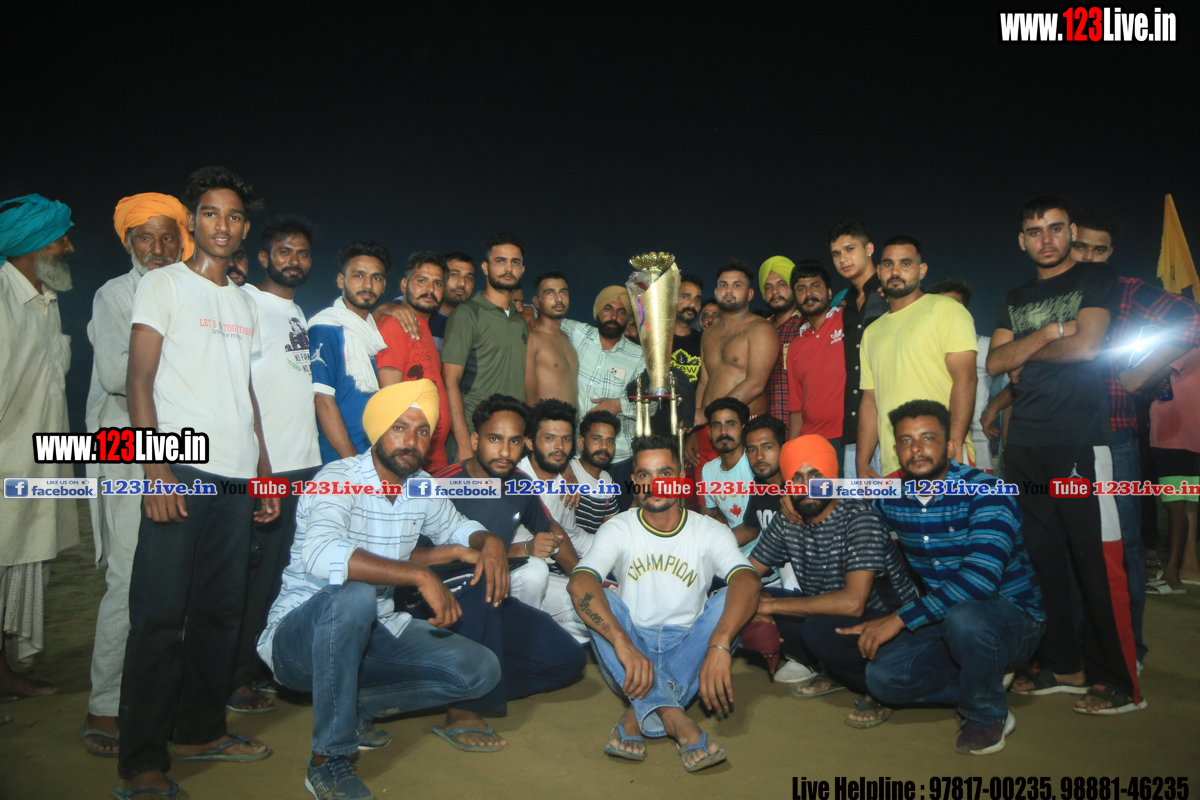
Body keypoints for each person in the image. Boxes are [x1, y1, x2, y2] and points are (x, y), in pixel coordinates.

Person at [258, 381, 506, 800]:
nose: (411, 441)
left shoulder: (419, 485)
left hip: (376, 626)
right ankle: (327, 760)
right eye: (399, 427)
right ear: (377, 430)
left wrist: (490, 541)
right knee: (353, 595)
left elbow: (458, 527)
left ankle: (353, 708)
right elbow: (320, 553)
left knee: (480, 670)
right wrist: (420, 576)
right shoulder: (338, 478)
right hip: (298, 643)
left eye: (422, 431)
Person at [117, 167, 280, 799]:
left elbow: (246, 392)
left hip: (236, 477)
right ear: (193, 222)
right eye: (211, 213)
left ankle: (199, 731)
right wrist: (154, 468)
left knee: (219, 612)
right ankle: (141, 761)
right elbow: (139, 380)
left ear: (244, 227)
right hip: (181, 468)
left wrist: (263, 473)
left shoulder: (243, 302)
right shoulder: (162, 285)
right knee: (159, 616)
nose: (222, 225)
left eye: (234, 216)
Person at [985, 209, 1200, 662]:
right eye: (1080, 246)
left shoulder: (1121, 289)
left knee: (1119, 549)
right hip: (1052, 435)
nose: (1086, 257)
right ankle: (1074, 651)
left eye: (1098, 251)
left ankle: (1125, 652)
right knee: (1059, 548)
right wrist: (1000, 401)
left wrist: (1140, 373)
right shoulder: (1045, 294)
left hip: (1111, 432)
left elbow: (1190, 319)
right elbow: (1027, 366)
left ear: (1110, 254)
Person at [987, 195, 1141, 714]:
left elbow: (1088, 347)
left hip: (1078, 440)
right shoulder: (1015, 296)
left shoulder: (1096, 279)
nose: (1046, 239)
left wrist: (1027, 352)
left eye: (1055, 229)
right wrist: (1053, 331)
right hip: (1024, 445)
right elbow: (996, 362)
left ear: (1071, 232)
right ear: (1022, 240)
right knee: (1042, 561)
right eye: (1035, 231)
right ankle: (1063, 664)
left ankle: (1119, 680)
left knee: (1099, 563)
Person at [845, 400, 1044, 754]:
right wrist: (793, 504)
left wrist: (899, 618)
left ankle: (986, 714)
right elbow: (843, 511)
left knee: (967, 617)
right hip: (944, 616)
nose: (916, 449)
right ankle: (985, 678)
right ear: (896, 451)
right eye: (906, 441)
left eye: (928, 438)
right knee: (883, 678)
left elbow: (979, 582)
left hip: (1011, 618)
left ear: (950, 447)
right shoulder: (893, 497)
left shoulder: (987, 492)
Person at [568, 435, 761, 772]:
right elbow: (579, 582)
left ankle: (639, 712)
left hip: (690, 647)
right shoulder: (619, 527)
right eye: (644, 475)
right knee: (600, 599)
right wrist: (622, 642)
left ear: (682, 476)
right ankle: (674, 719)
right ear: (634, 480)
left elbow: (748, 580)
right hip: (630, 652)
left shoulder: (708, 530)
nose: (654, 484)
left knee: (728, 599)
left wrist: (719, 644)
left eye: (665, 473)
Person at [81, 193, 191, 755]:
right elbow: (116, 373)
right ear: (129, 242)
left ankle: (159, 699)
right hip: (125, 444)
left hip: (184, 446)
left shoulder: (189, 291)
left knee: (174, 579)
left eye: (167, 236)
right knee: (127, 576)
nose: (157, 247)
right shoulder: (115, 295)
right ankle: (104, 706)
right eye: (144, 237)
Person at [422, 394, 587, 750]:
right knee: (491, 575)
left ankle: (456, 688)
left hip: (493, 595)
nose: (504, 451)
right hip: (439, 598)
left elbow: (552, 530)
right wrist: (472, 554)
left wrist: (584, 578)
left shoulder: (520, 484)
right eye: (495, 439)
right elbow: (408, 556)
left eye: (514, 442)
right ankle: (462, 710)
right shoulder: (441, 483)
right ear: (475, 439)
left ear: (524, 444)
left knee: (568, 660)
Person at [747, 434, 917, 719]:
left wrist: (769, 606)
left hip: (890, 622)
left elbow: (853, 603)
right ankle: (835, 670)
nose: (807, 486)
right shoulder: (788, 519)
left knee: (810, 626)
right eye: (797, 478)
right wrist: (749, 603)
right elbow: (747, 574)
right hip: (831, 615)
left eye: (816, 475)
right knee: (744, 597)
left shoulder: (858, 517)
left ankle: (878, 687)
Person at [230, 216, 324, 714]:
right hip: (271, 468)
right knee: (253, 579)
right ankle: (234, 679)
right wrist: (262, 471)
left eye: (303, 253)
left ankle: (265, 667)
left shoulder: (297, 312)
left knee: (287, 577)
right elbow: (241, 391)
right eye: (284, 251)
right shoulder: (245, 303)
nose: (294, 260)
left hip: (304, 465)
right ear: (264, 257)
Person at [0, 194, 80, 702]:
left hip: (38, 465)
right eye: (59, 239)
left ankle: (6, 671)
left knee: (20, 568)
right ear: (32, 245)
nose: (68, 247)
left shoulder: (45, 301)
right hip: (6, 465)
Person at [857, 236, 978, 477]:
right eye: (888, 264)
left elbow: (966, 379)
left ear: (921, 270)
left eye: (905, 263)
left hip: (942, 456)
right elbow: (870, 401)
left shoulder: (945, 309)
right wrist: (862, 462)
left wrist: (953, 444)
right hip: (894, 464)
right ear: (879, 271)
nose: (895, 271)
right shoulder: (871, 333)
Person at [559, 286, 649, 511]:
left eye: (621, 311)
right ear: (597, 311)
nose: (614, 316)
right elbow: (542, 314)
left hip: (620, 457)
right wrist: (528, 311)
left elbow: (653, 404)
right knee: (575, 516)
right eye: (608, 309)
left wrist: (618, 405)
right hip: (578, 454)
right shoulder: (578, 333)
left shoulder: (638, 356)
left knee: (620, 519)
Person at [442, 233, 530, 459]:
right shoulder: (467, 314)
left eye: (515, 262)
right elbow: (450, 381)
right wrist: (463, 443)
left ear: (522, 270)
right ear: (485, 267)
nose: (508, 268)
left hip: (512, 438)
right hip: (475, 437)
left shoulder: (520, 321)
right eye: (500, 261)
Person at [517, 399, 596, 641]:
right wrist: (583, 577)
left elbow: (571, 534)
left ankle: (549, 634)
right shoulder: (513, 480)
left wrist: (611, 549)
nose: (559, 446)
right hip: (515, 574)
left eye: (566, 439)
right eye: (549, 438)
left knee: (599, 609)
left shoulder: (565, 484)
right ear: (530, 442)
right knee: (538, 573)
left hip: (549, 578)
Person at [690, 261, 780, 467]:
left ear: (749, 294)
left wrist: (708, 413)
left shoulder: (761, 328)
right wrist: (695, 427)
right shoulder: (708, 334)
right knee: (708, 485)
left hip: (745, 427)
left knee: (744, 486)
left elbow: (756, 383)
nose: (729, 290)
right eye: (723, 285)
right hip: (708, 427)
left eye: (737, 285)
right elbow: (704, 382)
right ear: (716, 291)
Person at [309, 241, 390, 463]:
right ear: (340, 280)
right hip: (337, 459)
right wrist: (352, 462)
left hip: (371, 456)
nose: (367, 285)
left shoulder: (373, 334)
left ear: (384, 285)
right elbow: (323, 400)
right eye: (358, 275)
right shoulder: (326, 327)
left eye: (376, 278)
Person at [377, 251, 452, 472]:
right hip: (409, 457)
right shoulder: (395, 324)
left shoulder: (423, 327)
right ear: (404, 284)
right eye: (422, 281)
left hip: (431, 457)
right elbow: (389, 401)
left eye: (437, 283)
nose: (430, 289)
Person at [829, 221, 888, 479]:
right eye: (836, 253)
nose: (843, 259)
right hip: (857, 430)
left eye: (850, 249)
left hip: (892, 428)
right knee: (855, 503)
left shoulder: (891, 292)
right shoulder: (848, 305)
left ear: (869, 249)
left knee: (898, 502)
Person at [928, 278, 994, 471]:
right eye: (941, 306)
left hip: (975, 446)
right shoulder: (924, 348)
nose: (948, 312)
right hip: (929, 442)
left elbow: (1017, 378)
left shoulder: (983, 345)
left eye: (954, 306)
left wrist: (994, 410)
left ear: (965, 311)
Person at [786, 261, 847, 464]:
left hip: (850, 439)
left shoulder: (847, 321)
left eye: (815, 286)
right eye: (801, 289)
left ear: (829, 292)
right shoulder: (795, 346)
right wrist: (793, 453)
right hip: (811, 442)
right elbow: (796, 408)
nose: (809, 294)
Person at [699, 399, 755, 554]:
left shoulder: (755, 463)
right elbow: (711, 516)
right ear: (709, 433)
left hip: (765, 555)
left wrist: (716, 545)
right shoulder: (708, 470)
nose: (723, 432)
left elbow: (753, 529)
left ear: (743, 429)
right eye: (717, 425)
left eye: (730, 424)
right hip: (731, 552)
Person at [760, 256, 804, 424]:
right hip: (765, 428)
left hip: (802, 426)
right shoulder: (759, 330)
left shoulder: (808, 327)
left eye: (781, 284)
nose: (775, 292)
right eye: (768, 287)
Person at [524, 270, 579, 406]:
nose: (558, 299)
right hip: (543, 419)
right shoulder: (532, 339)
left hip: (572, 419)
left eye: (563, 292)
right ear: (536, 302)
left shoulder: (567, 339)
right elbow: (527, 397)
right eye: (550, 293)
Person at [571, 410, 621, 535]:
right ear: (581, 443)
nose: (604, 446)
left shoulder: (606, 479)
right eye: (597, 439)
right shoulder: (569, 472)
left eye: (610, 441)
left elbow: (612, 525)